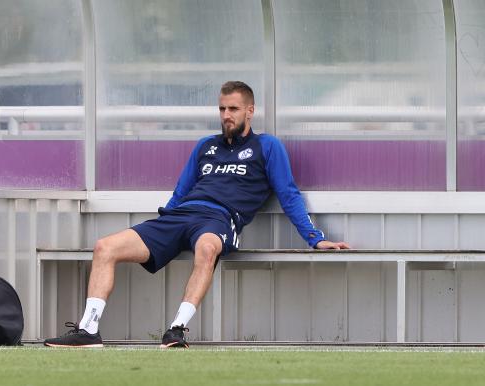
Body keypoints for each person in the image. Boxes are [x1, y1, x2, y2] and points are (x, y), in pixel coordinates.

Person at [44, 81, 350, 349]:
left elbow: (289, 194)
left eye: (233, 108)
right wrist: (166, 223)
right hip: (180, 217)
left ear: (250, 111)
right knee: (105, 247)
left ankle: (175, 331)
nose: (226, 115)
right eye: (222, 109)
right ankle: (88, 331)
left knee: (206, 248)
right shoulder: (206, 146)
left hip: (218, 220)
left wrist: (315, 239)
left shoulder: (267, 146)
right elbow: (181, 190)